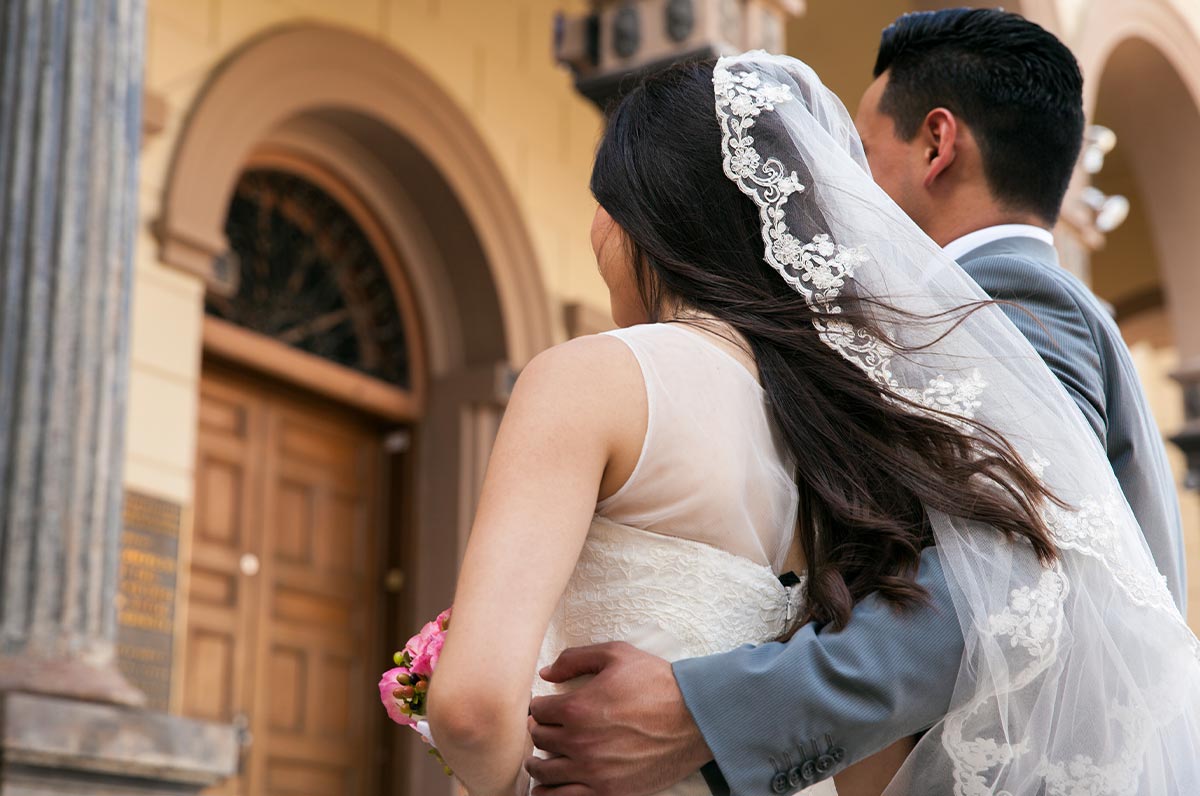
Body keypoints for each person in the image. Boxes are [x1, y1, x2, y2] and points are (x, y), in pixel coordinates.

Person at [521, 11, 1194, 796]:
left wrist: (709, 715)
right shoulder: (1039, 309)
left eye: (857, 158)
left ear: (937, 147)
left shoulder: (1008, 305)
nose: (827, 186)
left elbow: (1011, 577)